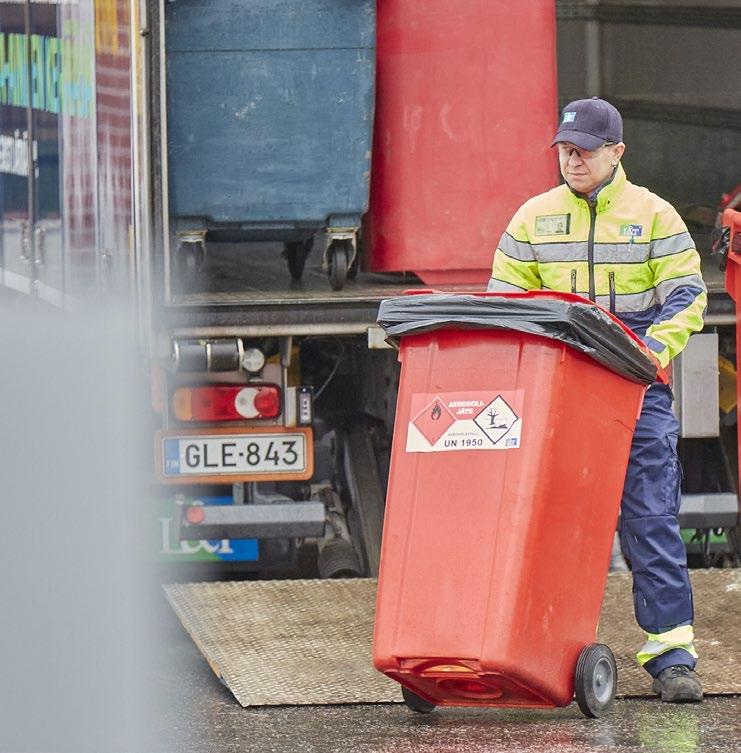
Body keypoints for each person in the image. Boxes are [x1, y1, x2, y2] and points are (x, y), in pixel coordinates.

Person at [487, 97, 707, 703]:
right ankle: (534, 650)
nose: (572, 157)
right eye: (564, 148)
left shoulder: (656, 216)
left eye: (584, 148)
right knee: (540, 523)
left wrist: (648, 357)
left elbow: (687, 298)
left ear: (618, 152)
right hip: (555, 399)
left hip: (633, 393)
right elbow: (503, 305)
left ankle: (672, 657)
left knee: (649, 519)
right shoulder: (533, 217)